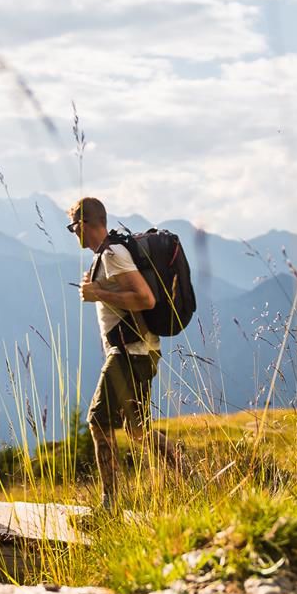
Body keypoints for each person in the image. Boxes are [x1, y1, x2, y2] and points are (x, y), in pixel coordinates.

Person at [72, 196, 181, 509]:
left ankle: (110, 505)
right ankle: (190, 473)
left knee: (98, 422)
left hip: (129, 353)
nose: (73, 232)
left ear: (84, 223)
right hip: (140, 351)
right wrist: (100, 291)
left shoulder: (113, 254)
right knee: (137, 430)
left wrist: (98, 293)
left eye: (72, 226)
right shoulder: (107, 255)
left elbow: (145, 299)